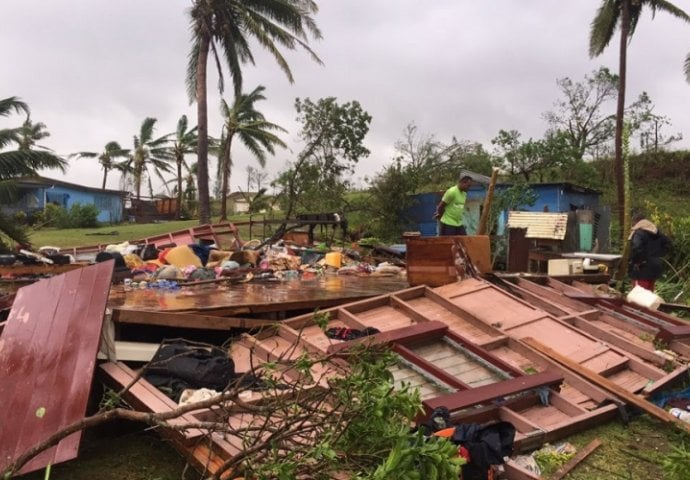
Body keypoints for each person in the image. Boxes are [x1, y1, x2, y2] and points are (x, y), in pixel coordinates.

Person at [628, 212, 672, 292]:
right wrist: (659, 255)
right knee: (649, 295)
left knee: (638, 296)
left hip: (641, 270)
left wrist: (636, 262)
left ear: (636, 221)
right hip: (655, 267)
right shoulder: (657, 232)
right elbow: (668, 243)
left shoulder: (639, 233)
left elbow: (637, 248)